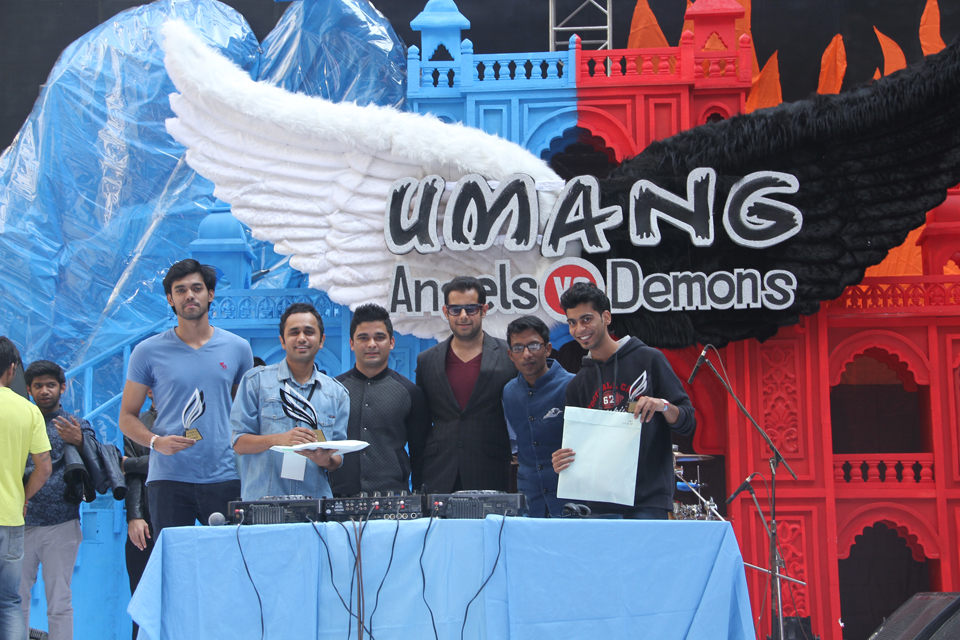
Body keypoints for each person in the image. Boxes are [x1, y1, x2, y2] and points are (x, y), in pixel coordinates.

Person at [119, 259, 253, 538]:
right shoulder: (147, 352)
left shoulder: (239, 348)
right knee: (173, 559)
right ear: (170, 299)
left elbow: (243, 413)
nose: (189, 295)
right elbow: (127, 417)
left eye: (196, 288)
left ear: (210, 294)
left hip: (225, 474)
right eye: (180, 290)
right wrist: (156, 442)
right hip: (168, 477)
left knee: (229, 558)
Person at [551, 283, 696, 519]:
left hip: (648, 500)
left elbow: (688, 421)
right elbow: (578, 446)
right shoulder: (577, 385)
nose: (579, 329)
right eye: (572, 322)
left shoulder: (649, 359)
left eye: (586, 319)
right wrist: (563, 461)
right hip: (598, 501)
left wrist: (663, 405)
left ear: (606, 317)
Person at [231, 303, 347, 500]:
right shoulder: (255, 382)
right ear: (282, 341)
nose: (301, 338)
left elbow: (338, 456)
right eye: (294, 332)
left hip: (314, 504)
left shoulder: (337, 394)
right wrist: (277, 439)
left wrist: (325, 460)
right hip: (263, 504)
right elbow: (239, 443)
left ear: (321, 340)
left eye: (309, 332)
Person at [415, 276, 515, 493]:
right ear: (445, 312)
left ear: (484, 310)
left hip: (491, 470)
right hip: (439, 471)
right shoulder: (427, 360)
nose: (463, 316)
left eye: (470, 309)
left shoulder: (509, 356)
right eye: (455, 309)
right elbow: (420, 425)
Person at [19, 361, 95, 640]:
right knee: (15, 598)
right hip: (21, 523)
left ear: (62, 388)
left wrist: (81, 441)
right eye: (38, 386)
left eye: (50, 385)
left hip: (62, 524)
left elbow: (98, 463)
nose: (45, 391)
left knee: (59, 600)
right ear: (28, 390)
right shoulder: (21, 422)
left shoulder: (75, 425)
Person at [330, 304, 428, 497]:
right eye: (363, 338)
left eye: (379, 337)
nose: (372, 344)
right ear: (351, 343)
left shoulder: (410, 392)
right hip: (339, 499)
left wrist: (420, 500)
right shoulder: (333, 391)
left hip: (394, 500)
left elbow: (420, 455)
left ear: (391, 342)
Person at [0, 338, 51, 640]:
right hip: (10, 519)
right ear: (12, 369)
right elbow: (44, 468)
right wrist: (22, 497)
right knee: (8, 602)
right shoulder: (28, 410)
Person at [501, 316, 574, 517]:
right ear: (510, 354)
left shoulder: (572, 386)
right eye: (518, 348)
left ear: (548, 348)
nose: (526, 354)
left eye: (533, 345)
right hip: (530, 500)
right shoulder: (509, 392)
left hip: (569, 498)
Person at [122, 390, 154, 640]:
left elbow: (181, 460)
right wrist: (134, 516)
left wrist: (130, 463)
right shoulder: (137, 423)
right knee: (141, 595)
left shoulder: (190, 419)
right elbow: (132, 478)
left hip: (180, 514)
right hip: (146, 518)